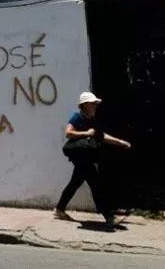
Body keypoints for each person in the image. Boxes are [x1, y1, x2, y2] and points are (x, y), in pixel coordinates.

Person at [54, 91, 131, 227]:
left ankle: (59, 209)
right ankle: (109, 216)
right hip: (82, 158)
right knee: (96, 184)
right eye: (93, 103)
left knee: (75, 183)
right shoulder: (77, 117)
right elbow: (68, 133)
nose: (95, 106)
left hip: (86, 158)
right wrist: (86, 133)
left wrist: (120, 142)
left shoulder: (92, 120)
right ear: (85, 105)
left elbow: (102, 136)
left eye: (96, 103)